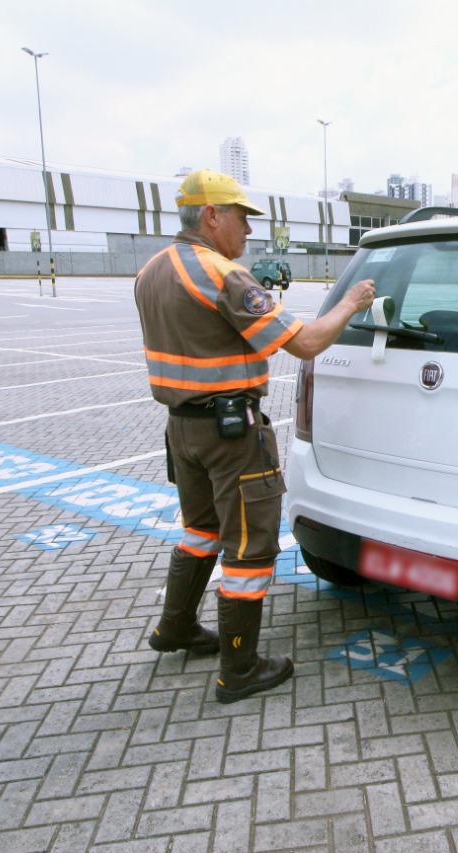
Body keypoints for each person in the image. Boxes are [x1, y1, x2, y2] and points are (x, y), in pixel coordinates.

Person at [134, 168, 374, 703]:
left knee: (200, 530)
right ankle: (239, 669)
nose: (247, 231)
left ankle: (175, 629)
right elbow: (307, 342)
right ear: (212, 216)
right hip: (230, 436)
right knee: (250, 548)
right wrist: (351, 303)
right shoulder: (222, 274)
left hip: (183, 432)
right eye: (241, 218)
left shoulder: (150, 270)